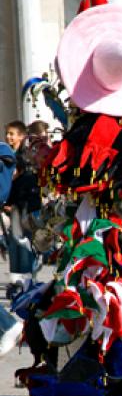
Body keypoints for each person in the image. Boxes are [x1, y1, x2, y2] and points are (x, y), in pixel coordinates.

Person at [4, 120, 41, 298]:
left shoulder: (23, 157)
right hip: (14, 206)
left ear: (21, 136)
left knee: (23, 244)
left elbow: (17, 181)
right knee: (15, 246)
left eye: (12, 134)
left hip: (24, 206)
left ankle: (25, 285)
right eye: (7, 133)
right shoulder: (10, 154)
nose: (9, 137)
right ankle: (17, 284)